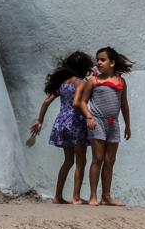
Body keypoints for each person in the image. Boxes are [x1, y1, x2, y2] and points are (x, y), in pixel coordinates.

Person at [29, 51, 95, 204]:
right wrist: (88, 116)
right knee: (81, 162)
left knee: (68, 161)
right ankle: (76, 197)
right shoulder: (80, 83)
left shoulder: (64, 83)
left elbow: (46, 102)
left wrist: (40, 121)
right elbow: (76, 103)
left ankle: (57, 196)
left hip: (61, 123)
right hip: (75, 122)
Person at [76, 46, 133, 206]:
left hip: (113, 123)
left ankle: (106, 196)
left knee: (110, 160)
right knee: (98, 158)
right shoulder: (93, 81)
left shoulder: (121, 81)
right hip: (97, 122)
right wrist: (88, 117)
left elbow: (124, 105)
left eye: (102, 60)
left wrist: (128, 125)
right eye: (97, 60)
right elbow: (82, 102)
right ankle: (93, 196)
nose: (98, 62)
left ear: (112, 63)